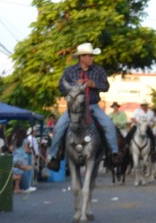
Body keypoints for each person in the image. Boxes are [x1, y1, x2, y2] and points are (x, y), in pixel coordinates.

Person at [46, 43, 121, 171]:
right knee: (59, 127)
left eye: (92, 56)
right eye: (89, 56)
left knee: (108, 124)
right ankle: (54, 156)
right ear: (81, 57)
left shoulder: (99, 70)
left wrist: (94, 84)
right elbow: (61, 87)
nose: (92, 58)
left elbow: (106, 86)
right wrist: (74, 85)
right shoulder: (69, 71)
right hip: (74, 107)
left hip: (92, 105)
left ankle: (113, 153)